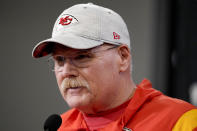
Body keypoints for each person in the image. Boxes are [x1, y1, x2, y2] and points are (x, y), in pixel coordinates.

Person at [32, 3, 197, 131]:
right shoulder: (60, 127)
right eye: (60, 60)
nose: (66, 71)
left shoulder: (181, 121)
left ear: (123, 57)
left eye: (81, 57)